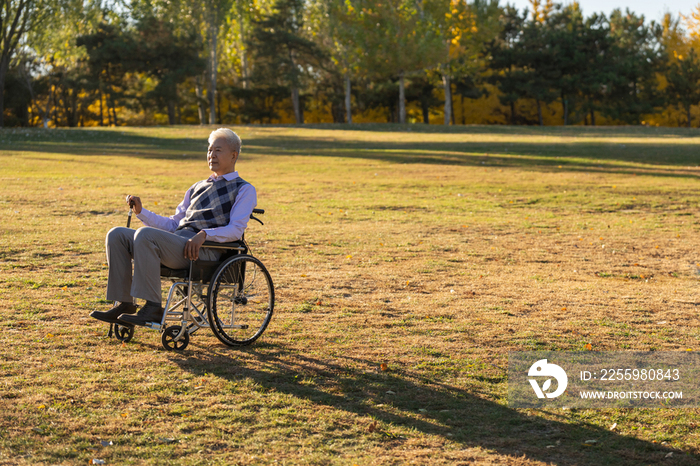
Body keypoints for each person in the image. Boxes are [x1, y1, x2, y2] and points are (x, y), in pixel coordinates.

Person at [90, 128, 257, 327]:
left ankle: (153, 307)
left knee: (146, 235)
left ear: (233, 155)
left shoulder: (244, 189)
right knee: (116, 235)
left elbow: (236, 230)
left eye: (217, 150)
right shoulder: (197, 187)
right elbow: (173, 224)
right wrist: (142, 212)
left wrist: (204, 235)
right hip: (179, 243)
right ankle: (125, 304)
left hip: (205, 250)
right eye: (209, 150)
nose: (211, 155)